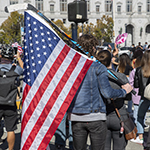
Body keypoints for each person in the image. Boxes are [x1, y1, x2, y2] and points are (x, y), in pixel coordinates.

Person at [68, 34, 133, 150]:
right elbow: (107, 93)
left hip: (76, 116)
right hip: (95, 116)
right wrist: (123, 91)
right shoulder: (98, 67)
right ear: (93, 49)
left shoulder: (72, 67)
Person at [97, 50, 131, 150]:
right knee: (120, 147)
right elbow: (128, 97)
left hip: (103, 115)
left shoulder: (97, 77)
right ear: (112, 60)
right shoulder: (121, 76)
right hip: (119, 115)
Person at [0, 46, 23, 150]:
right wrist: (18, 58)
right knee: (10, 129)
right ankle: (10, 149)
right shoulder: (16, 69)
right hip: (11, 102)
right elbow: (25, 69)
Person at [131, 50, 150, 145]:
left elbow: (136, 85)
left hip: (144, 96)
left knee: (140, 116)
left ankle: (141, 136)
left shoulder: (139, 70)